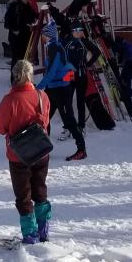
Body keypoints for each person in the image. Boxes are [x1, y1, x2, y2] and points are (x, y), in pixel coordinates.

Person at [0, 59, 55, 244]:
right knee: (40, 190)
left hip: (19, 155)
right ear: (31, 75)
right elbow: (45, 121)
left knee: (23, 196)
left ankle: (30, 234)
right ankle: (44, 231)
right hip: (41, 151)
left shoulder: (9, 100)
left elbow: (0, 128)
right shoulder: (41, 96)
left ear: (14, 76)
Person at [38, 15, 86, 161]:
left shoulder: (55, 48)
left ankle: (81, 149)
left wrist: (38, 87)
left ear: (49, 36)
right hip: (53, 89)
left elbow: (52, 71)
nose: (42, 38)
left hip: (59, 90)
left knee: (69, 121)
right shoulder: (54, 46)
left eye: (43, 35)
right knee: (44, 119)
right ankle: (44, 150)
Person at [4, 0, 39, 65]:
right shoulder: (14, 6)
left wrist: (37, 19)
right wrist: (15, 30)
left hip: (26, 35)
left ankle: (33, 60)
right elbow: (8, 20)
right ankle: (16, 77)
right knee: (17, 58)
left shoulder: (29, 3)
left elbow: (34, 14)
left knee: (25, 58)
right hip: (17, 37)